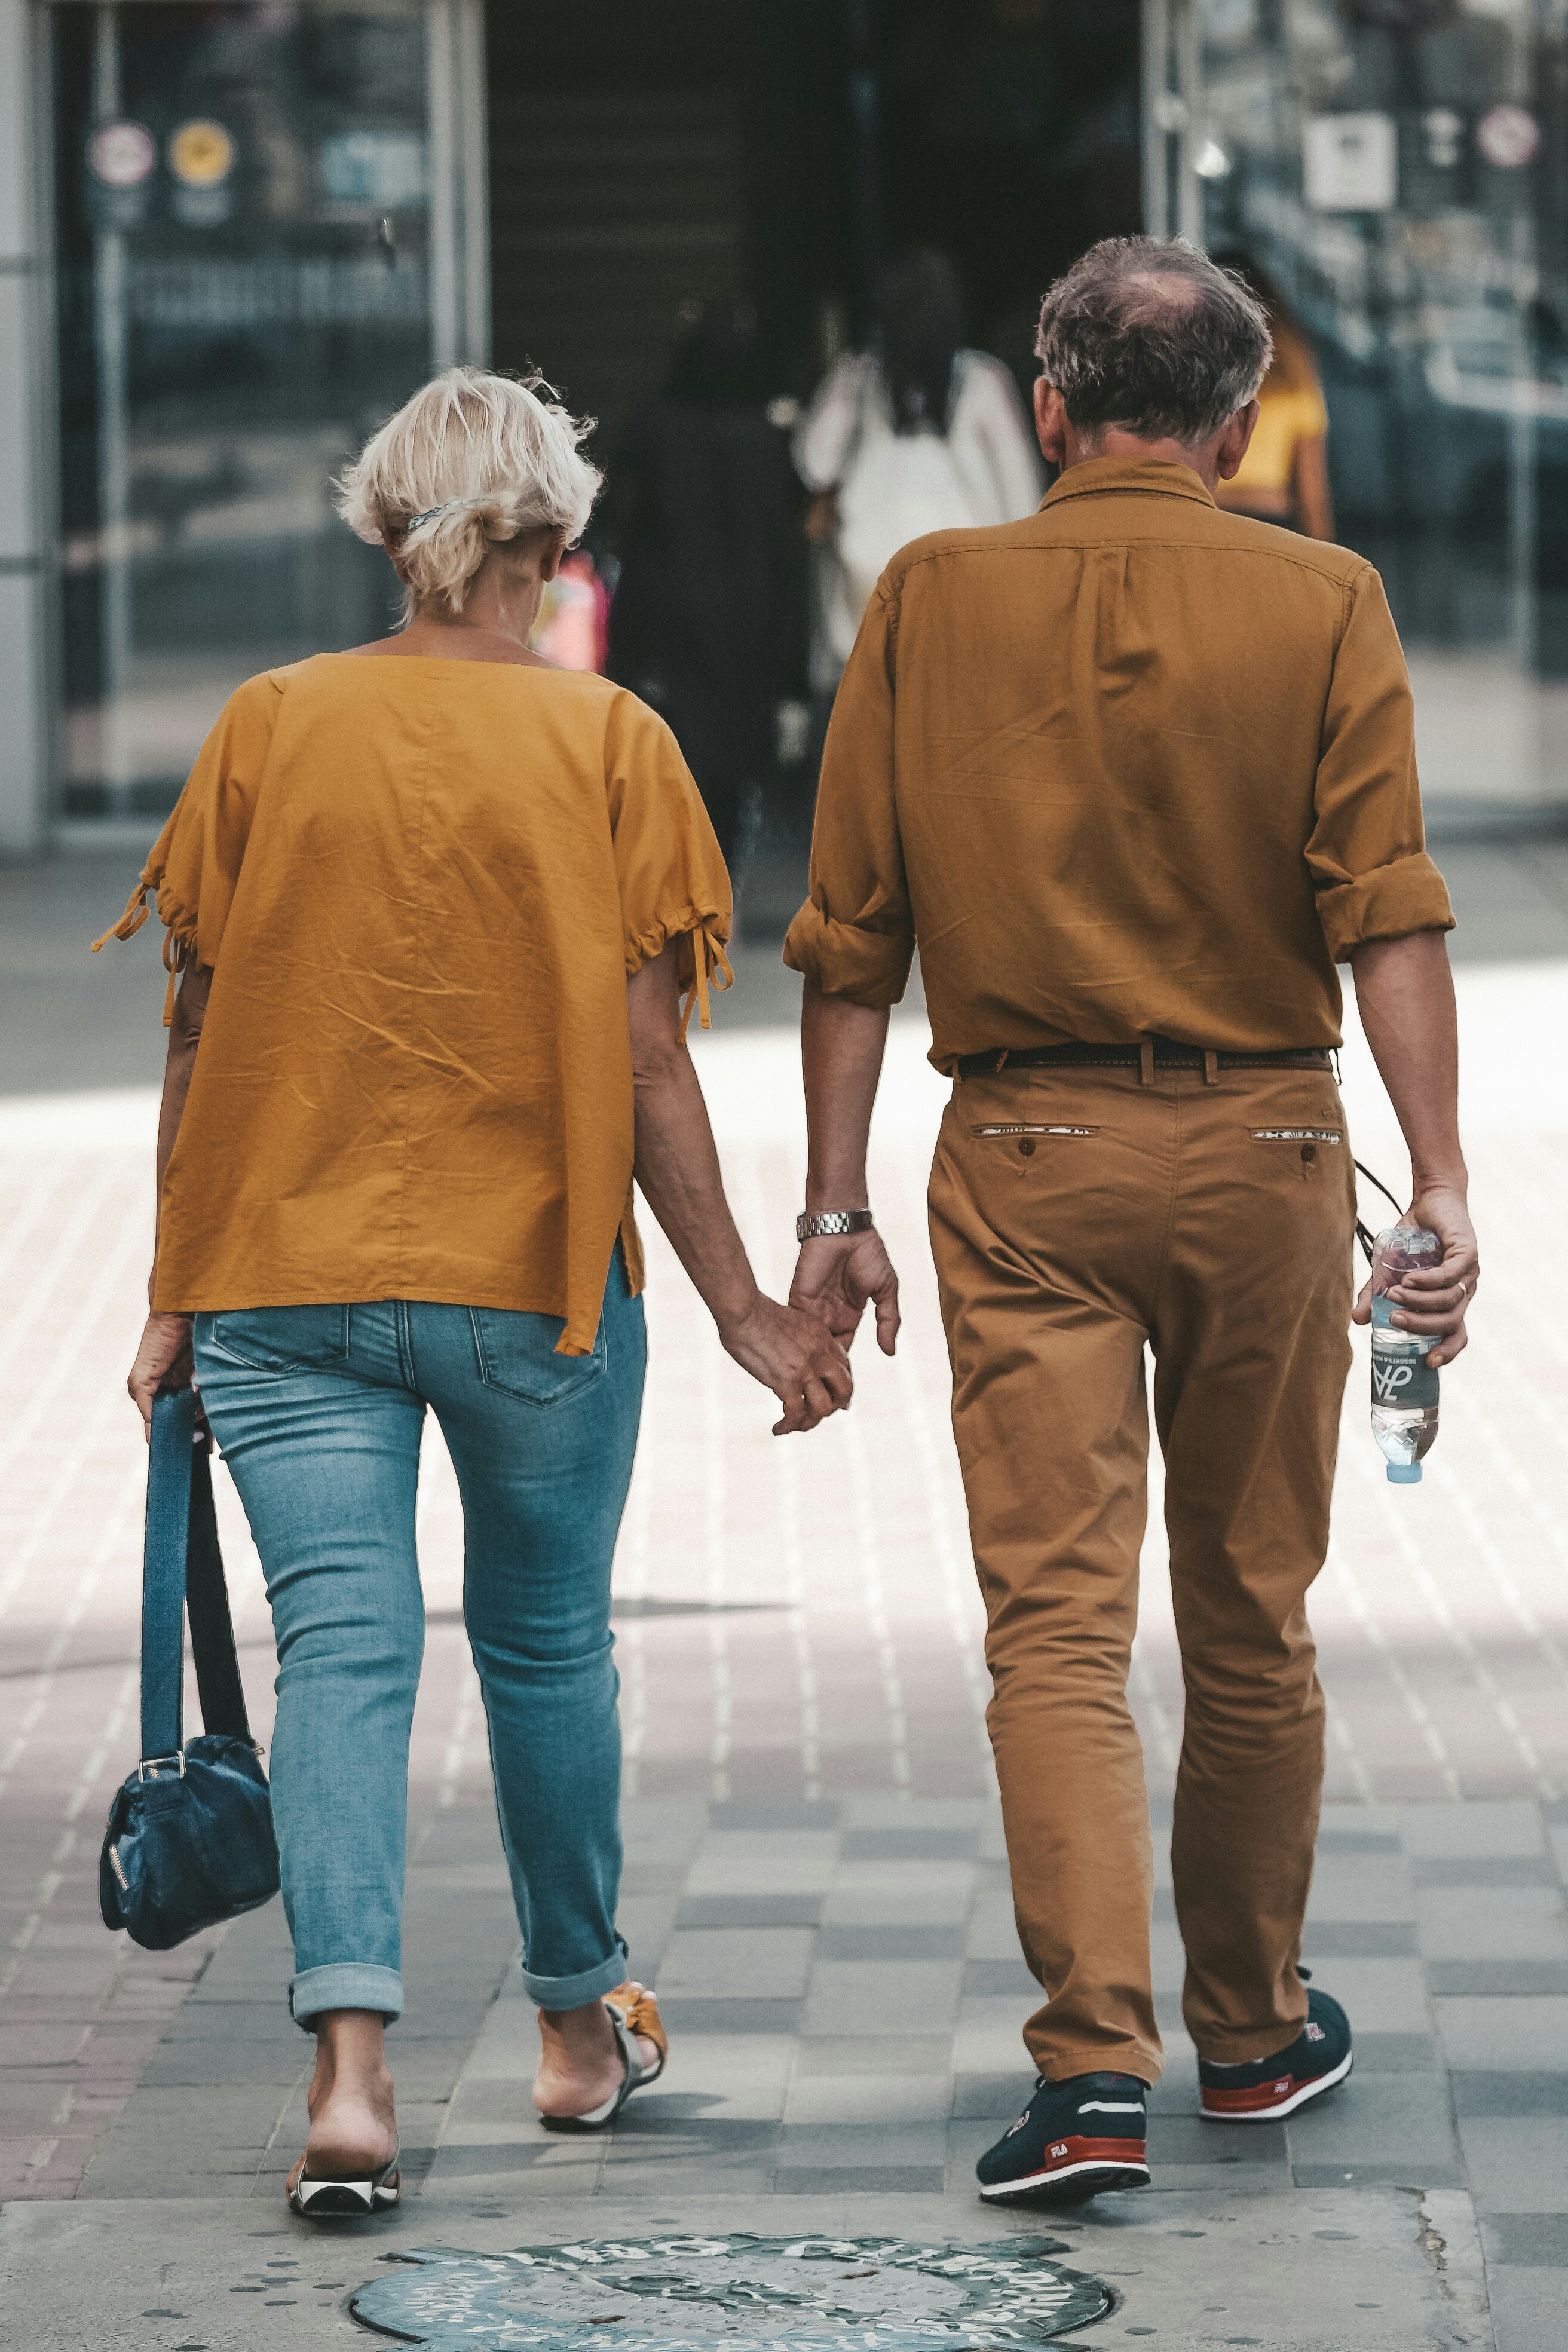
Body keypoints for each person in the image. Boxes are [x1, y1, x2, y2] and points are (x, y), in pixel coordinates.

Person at [97, 366, 852, 2219]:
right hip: (536, 1287)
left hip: (283, 1275)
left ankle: (350, 2079)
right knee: (543, 1646)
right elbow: (649, 1061)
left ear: (387, 527)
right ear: (555, 535)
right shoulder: (611, 742)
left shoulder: (268, 726)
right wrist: (751, 1307)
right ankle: (577, 2023)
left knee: (344, 1651)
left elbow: (193, 1034)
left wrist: (170, 1295)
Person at [782, 237, 1476, 2204]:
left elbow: (849, 941)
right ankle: (1248, 2036)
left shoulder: (926, 596)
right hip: (1265, 1150)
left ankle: (1087, 2076)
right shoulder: (1325, 596)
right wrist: (1436, 1183)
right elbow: (1391, 908)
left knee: (1059, 1636)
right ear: (1239, 420)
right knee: (1250, 1617)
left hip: (1019, 1161)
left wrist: (832, 1206)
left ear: (1053, 406)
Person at [604, 300, 805, 869]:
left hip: (670, 617)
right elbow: (785, 531)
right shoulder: (766, 435)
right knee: (732, 780)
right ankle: (720, 898)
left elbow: (624, 516)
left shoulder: (653, 426)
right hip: (750, 619)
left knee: (670, 765)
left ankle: (674, 891)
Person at [793, 249, 1042, 696]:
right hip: (969, 592)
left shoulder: (857, 378)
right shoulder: (983, 379)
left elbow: (814, 462)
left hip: (871, 594)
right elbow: (1021, 494)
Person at [1211, 251, 1334, 539]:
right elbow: (1313, 492)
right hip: (1272, 518)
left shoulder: (1203, 368)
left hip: (1210, 511)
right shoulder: (1296, 374)